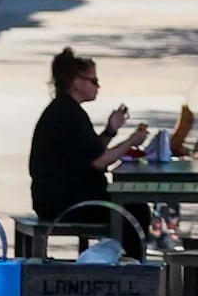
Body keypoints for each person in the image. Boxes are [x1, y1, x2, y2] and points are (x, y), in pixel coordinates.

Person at [30, 49, 152, 257]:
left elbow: (89, 152)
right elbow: (98, 161)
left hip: (61, 197)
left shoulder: (67, 110)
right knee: (135, 212)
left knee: (133, 208)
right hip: (65, 202)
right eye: (93, 81)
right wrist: (132, 141)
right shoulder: (67, 115)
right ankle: (132, 271)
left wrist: (110, 131)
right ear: (77, 82)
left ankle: (122, 262)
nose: (98, 86)